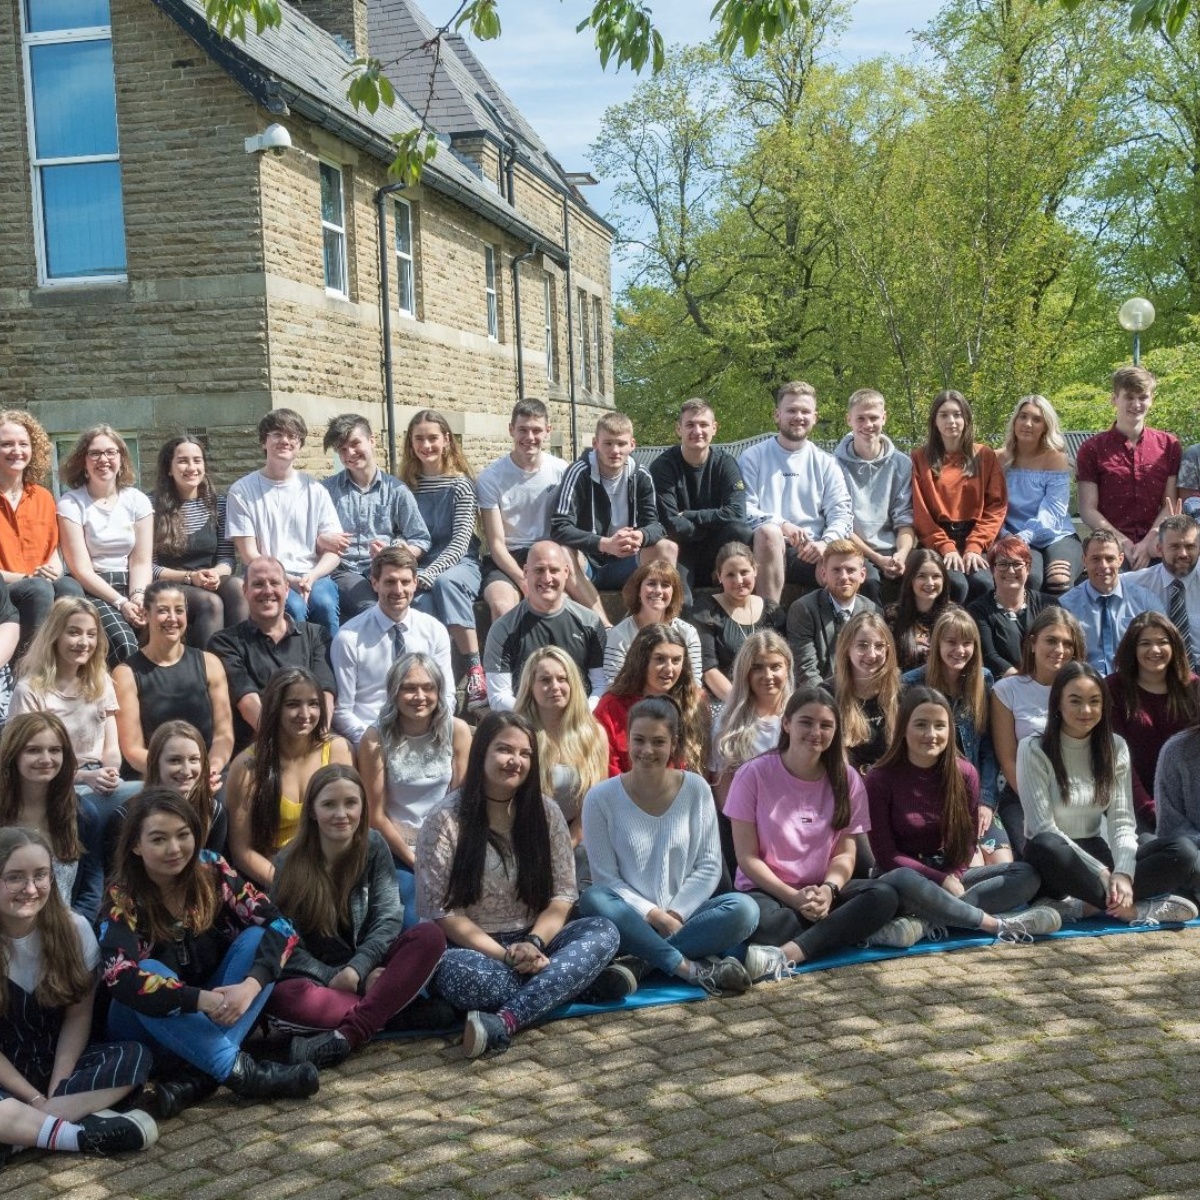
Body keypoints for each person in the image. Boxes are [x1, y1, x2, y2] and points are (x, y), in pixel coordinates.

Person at [100, 789, 320, 1119]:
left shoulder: (212, 868)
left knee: (258, 938)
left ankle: (198, 1078)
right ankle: (246, 1075)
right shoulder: (122, 896)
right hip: (145, 1033)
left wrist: (250, 987)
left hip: (212, 1017)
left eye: (183, 835)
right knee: (150, 969)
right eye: (158, 839)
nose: (174, 849)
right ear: (135, 845)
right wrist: (202, 1000)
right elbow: (119, 977)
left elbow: (283, 927)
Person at [416, 712, 623, 1059]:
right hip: (474, 950)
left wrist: (533, 943)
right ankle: (574, 983)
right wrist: (507, 956)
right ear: (481, 752)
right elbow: (444, 914)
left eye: (525, 754)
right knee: (472, 978)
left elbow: (562, 896)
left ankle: (504, 1020)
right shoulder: (444, 819)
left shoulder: (547, 813)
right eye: (504, 750)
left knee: (604, 931)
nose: (515, 761)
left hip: (537, 941)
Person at [268, 765, 448, 1068]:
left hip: (370, 964)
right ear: (312, 810)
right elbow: (286, 943)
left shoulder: (374, 845)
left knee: (430, 936)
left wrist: (359, 970)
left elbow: (388, 919)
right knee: (285, 999)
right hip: (321, 982)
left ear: (362, 807)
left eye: (350, 803)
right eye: (329, 804)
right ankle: (395, 1010)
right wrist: (342, 978)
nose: (341, 814)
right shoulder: (288, 862)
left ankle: (347, 1035)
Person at [579, 696, 759, 992]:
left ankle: (640, 963)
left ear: (673, 744)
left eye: (658, 742)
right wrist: (655, 916)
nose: (647, 750)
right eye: (639, 740)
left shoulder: (696, 788)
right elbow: (607, 880)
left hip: (686, 918)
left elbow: (709, 865)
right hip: (629, 920)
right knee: (593, 898)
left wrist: (674, 915)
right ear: (627, 740)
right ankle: (691, 970)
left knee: (745, 909)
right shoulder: (599, 799)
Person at [0, 827, 157, 1160]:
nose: (31, 889)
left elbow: (78, 1015)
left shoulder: (74, 928)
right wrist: (32, 1097)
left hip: (57, 1062)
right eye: (14, 878)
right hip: (5, 1071)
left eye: (40, 875)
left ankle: (25, 1133)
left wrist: (57, 1087)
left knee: (134, 1055)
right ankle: (79, 1136)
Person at [727, 687, 904, 964]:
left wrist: (829, 890)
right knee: (758, 923)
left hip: (823, 891)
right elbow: (747, 858)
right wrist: (794, 898)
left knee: (884, 896)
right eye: (806, 722)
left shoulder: (847, 778)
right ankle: (847, 931)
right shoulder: (752, 775)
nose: (816, 732)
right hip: (769, 892)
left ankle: (794, 951)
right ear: (787, 724)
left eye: (826, 725)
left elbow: (845, 854)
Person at [867, 688, 1059, 941]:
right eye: (921, 725)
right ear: (903, 728)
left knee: (1026, 875)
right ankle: (997, 924)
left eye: (939, 726)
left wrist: (954, 875)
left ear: (950, 730)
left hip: (948, 872)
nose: (931, 734)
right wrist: (941, 880)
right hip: (903, 878)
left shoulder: (965, 774)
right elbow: (886, 855)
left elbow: (968, 841)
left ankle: (928, 921)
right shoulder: (879, 779)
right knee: (903, 880)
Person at [1017, 662, 1198, 926]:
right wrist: (1103, 873)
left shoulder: (1115, 747)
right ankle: (1138, 908)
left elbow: (1122, 821)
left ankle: (1089, 906)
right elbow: (1041, 826)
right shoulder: (1033, 749)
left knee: (1182, 850)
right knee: (1046, 842)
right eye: (1075, 701)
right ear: (1057, 703)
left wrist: (1123, 873)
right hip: (1055, 858)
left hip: (1097, 850)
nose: (1086, 710)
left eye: (1094, 701)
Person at [359, 654, 471, 926]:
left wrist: (445, 854)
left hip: (447, 842)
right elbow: (375, 816)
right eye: (409, 688)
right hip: (396, 847)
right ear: (394, 693)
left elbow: (461, 801)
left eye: (428, 687)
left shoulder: (457, 730)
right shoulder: (375, 738)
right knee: (413, 917)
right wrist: (417, 862)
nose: (420, 696)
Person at [10, 597, 139, 830]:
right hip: (52, 784)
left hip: (99, 778)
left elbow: (111, 748)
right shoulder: (29, 690)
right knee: (86, 812)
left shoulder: (101, 682)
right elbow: (25, 760)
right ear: (55, 635)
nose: (84, 642)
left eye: (91, 634)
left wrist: (110, 773)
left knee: (147, 798)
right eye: (74, 632)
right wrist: (82, 777)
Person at [225, 668, 353, 889]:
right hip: (276, 877)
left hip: (332, 870)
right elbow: (242, 851)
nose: (305, 714)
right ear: (275, 708)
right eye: (293, 704)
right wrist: (288, 887)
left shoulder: (337, 750)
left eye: (313, 704)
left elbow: (353, 825)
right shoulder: (247, 766)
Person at [226, 408, 342, 638]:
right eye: (277, 434)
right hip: (267, 576)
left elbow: (335, 551)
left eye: (292, 436)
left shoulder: (315, 490)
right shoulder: (242, 491)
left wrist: (312, 577)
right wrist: (287, 580)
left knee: (325, 605)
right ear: (264, 442)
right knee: (294, 608)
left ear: (300, 445)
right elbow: (249, 554)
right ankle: (295, 662)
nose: (285, 441)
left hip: (313, 575)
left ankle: (330, 661)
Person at [400, 409, 486, 709]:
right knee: (420, 603)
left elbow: (460, 541)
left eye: (433, 438)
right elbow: (399, 530)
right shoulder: (407, 486)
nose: (426, 445)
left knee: (446, 584)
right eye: (419, 439)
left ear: (446, 440)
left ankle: (475, 670)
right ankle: (429, 677)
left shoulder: (460, 485)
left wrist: (430, 573)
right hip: (420, 564)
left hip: (459, 563)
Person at [208, 556, 337, 754]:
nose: (267, 591)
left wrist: (316, 742)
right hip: (259, 751)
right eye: (258, 584)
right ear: (245, 591)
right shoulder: (225, 642)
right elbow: (247, 703)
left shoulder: (315, 635)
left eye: (274, 583)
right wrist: (287, 748)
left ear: (286, 589)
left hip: (312, 743)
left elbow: (325, 694)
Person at [738, 382, 853, 602]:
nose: (798, 417)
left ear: (815, 417)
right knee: (769, 533)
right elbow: (743, 508)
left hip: (813, 549)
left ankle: (839, 622)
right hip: (767, 549)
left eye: (805, 411)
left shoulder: (827, 462)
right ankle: (769, 615)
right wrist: (782, 525)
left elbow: (842, 513)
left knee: (847, 566)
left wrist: (826, 543)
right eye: (791, 410)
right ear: (777, 415)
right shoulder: (753, 457)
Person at [112, 580, 234, 784]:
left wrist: (210, 770)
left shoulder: (210, 663)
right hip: (154, 777)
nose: (172, 618)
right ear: (145, 615)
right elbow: (133, 750)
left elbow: (224, 735)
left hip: (207, 775)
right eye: (163, 610)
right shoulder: (126, 674)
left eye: (179, 610)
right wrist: (181, 775)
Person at [331, 546, 453, 746]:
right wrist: (374, 742)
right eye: (390, 582)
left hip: (424, 735)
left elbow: (446, 695)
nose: (398, 590)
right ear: (375, 583)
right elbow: (342, 711)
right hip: (371, 737)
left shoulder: (434, 631)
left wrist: (428, 735)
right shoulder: (349, 637)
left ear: (415, 583)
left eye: (405, 582)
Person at [990, 607, 1087, 858]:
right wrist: (1042, 806)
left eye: (1067, 643)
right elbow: (1008, 760)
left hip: (1079, 796)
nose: (1059, 650)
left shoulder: (1085, 690)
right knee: (1044, 858)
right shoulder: (1007, 690)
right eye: (1051, 640)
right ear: (1032, 643)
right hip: (1023, 795)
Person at [550, 412, 665, 620]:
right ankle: (604, 626)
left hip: (627, 562)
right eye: (608, 443)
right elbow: (559, 527)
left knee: (666, 548)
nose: (615, 451)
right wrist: (604, 544)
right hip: (588, 564)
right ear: (596, 444)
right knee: (563, 552)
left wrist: (640, 536)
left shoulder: (641, 475)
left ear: (632, 444)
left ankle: (653, 622)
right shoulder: (579, 472)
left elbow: (656, 526)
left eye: (621, 444)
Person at [901, 606, 1001, 840]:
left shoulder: (983, 679)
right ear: (937, 644)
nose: (960, 650)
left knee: (1002, 857)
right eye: (951, 642)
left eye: (967, 643)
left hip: (974, 793)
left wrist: (985, 800)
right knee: (968, 857)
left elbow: (988, 747)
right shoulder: (911, 684)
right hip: (930, 795)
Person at [319, 413, 431, 621]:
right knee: (371, 609)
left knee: (421, 604)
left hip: (386, 569)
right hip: (346, 571)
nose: (350, 453)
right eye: (342, 449)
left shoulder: (396, 490)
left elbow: (420, 539)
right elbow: (306, 534)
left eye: (355, 444)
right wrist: (321, 539)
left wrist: (398, 551)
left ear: (372, 441)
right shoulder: (326, 491)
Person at [55, 425, 151, 666]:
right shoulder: (71, 503)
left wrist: (137, 596)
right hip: (94, 589)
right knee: (125, 644)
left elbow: (141, 560)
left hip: (134, 584)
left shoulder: (137, 500)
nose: (103, 459)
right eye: (95, 453)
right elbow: (81, 569)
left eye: (111, 452)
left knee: (162, 633)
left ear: (121, 458)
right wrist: (121, 603)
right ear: (83, 461)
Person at [513, 646, 610, 886]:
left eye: (562, 679)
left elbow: (592, 807)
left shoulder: (594, 735)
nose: (555, 686)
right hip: (524, 838)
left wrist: (565, 846)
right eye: (545, 680)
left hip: (577, 839)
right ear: (530, 686)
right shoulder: (517, 734)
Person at [648, 398, 751, 607]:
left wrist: (690, 515)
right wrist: (709, 526)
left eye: (703, 424)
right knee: (683, 603)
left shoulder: (725, 463)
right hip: (682, 549)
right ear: (679, 429)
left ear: (714, 428)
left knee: (741, 531)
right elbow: (670, 523)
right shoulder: (663, 467)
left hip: (718, 549)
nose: (697, 431)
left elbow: (737, 514)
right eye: (690, 425)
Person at [483, 540, 608, 712]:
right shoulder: (504, 628)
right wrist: (538, 719)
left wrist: (578, 715)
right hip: (526, 721)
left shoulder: (590, 622)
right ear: (526, 572)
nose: (547, 578)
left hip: (579, 719)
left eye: (554, 570)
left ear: (566, 572)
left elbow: (601, 685)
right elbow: (499, 696)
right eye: (539, 570)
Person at [0, 714, 102, 922]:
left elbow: (91, 888)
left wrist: (77, 929)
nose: (46, 759)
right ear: (13, 754)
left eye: (55, 750)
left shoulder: (83, 814)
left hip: (65, 931)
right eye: (33, 750)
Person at [1076, 365, 1180, 570]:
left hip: (1157, 544)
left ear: (1152, 400)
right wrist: (1122, 542)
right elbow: (1088, 509)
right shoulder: (1092, 449)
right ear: (1114, 399)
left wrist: (1148, 543)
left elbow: (1170, 504)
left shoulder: (1169, 445)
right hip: (1110, 548)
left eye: (1143, 397)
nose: (1136, 404)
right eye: (1129, 397)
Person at [476, 399, 570, 622]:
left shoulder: (562, 471)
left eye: (536, 430)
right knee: (502, 607)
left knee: (562, 605)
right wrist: (524, 580)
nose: (530, 437)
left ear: (548, 431)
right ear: (511, 430)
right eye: (523, 430)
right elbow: (496, 544)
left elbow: (569, 528)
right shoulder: (491, 477)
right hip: (507, 558)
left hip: (548, 554)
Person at [1105, 613, 1199, 836]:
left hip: (1189, 806)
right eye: (1145, 643)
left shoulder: (1193, 687)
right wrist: (1152, 811)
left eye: (1162, 642)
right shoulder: (1113, 688)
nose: (1155, 650)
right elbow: (1118, 761)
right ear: (1132, 648)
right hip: (1135, 807)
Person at [909, 390, 1006, 604]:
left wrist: (975, 546)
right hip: (937, 539)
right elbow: (920, 512)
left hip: (977, 537)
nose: (951, 421)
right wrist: (945, 547)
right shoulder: (919, 458)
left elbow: (996, 507)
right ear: (934, 421)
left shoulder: (984, 455)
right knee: (955, 584)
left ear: (966, 419)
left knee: (984, 584)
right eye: (944, 415)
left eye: (957, 414)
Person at [150, 436, 248, 648]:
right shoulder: (151, 506)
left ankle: (240, 658)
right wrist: (189, 577)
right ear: (169, 469)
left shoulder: (219, 504)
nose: (191, 467)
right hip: (169, 581)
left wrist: (216, 573)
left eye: (197, 460)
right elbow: (149, 566)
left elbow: (227, 559)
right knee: (211, 602)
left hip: (207, 579)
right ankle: (207, 664)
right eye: (182, 461)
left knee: (237, 587)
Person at [0, 410, 81, 647]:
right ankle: (30, 665)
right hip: (5, 590)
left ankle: (70, 662)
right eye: (6, 444)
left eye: (23, 444)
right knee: (38, 589)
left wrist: (53, 571)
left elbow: (53, 551)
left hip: (37, 584)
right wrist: (28, 578)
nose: (16, 451)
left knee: (68, 586)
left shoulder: (43, 497)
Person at [832, 388, 915, 605]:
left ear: (884, 418)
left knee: (923, 575)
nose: (868, 424)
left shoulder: (902, 464)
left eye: (873, 418)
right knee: (868, 581)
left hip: (893, 546)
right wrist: (877, 559)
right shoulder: (834, 465)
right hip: (854, 547)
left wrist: (901, 554)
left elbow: (905, 519)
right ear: (849, 419)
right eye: (860, 418)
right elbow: (841, 521)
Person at [594, 624, 707, 777]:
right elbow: (608, 772)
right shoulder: (611, 707)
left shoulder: (696, 702)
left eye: (676, 660)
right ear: (641, 660)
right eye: (660, 659)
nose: (669, 669)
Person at [996, 394, 1081, 594]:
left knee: (1059, 580)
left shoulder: (1055, 459)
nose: (1028, 424)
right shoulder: (997, 458)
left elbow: (1053, 510)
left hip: (1055, 535)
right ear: (1014, 421)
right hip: (1010, 535)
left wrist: (1024, 536)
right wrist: (1005, 536)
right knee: (1029, 577)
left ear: (1045, 427)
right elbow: (990, 505)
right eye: (1023, 416)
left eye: (1036, 419)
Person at [687, 541, 787, 702]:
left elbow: (785, 661)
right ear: (719, 577)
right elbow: (708, 669)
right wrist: (741, 705)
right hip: (725, 700)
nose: (739, 580)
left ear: (755, 570)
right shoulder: (706, 610)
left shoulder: (771, 611)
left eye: (744, 572)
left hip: (768, 699)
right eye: (730, 575)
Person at [1059, 530, 1165, 675]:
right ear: (1084, 560)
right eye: (1096, 559)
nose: (1103, 565)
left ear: (1120, 560)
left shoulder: (1145, 601)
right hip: (1086, 682)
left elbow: (1163, 644)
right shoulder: (1067, 606)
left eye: (1110, 558)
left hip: (1133, 681)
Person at [710, 631, 794, 808]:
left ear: (787, 669)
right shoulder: (728, 720)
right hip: (743, 818)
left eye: (775, 667)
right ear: (745, 672)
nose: (767, 675)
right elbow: (721, 782)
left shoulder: (799, 716)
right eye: (757, 668)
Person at [786, 540, 879, 686]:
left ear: (862, 575)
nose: (844, 576)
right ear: (824, 574)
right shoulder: (804, 610)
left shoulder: (873, 611)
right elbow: (806, 671)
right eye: (836, 570)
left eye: (850, 570)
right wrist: (829, 698)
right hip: (819, 694)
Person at [603, 559, 702, 688]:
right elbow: (614, 684)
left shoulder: (688, 633)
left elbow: (694, 683)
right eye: (651, 584)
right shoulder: (620, 634)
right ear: (638, 590)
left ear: (674, 592)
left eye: (665, 585)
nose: (658, 590)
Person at [967, 536, 1052, 679]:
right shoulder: (978, 610)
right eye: (1002, 564)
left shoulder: (1048, 605)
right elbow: (989, 656)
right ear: (992, 569)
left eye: (1017, 564)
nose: (1011, 571)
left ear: (1028, 568)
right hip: (1002, 685)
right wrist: (1023, 682)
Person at [1125, 512, 1200, 671]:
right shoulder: (1134, 583)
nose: (1183, 554)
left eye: (1190, 546)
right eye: (1175, 546)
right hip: (1157, 671)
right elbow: (1099, 582)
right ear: (1159, 549)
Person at [830, 612, 901, 778]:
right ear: (847, 648)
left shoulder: (901, 692)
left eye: (879, 646)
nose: (872, 654)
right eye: (862, 645)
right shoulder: (828, 694)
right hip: (848, 785)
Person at [144, 721, 228, 856]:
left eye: (194, 759)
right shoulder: (127, 816)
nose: (186, 771)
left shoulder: (214, 813)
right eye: (174, 760)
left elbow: (214, 864)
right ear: (155, 763)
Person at [888, 548, 953, 671]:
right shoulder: (893, 615)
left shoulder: (954, 615)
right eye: (921, 576)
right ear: (910, 579)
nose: (930, 583)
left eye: (936, 576)